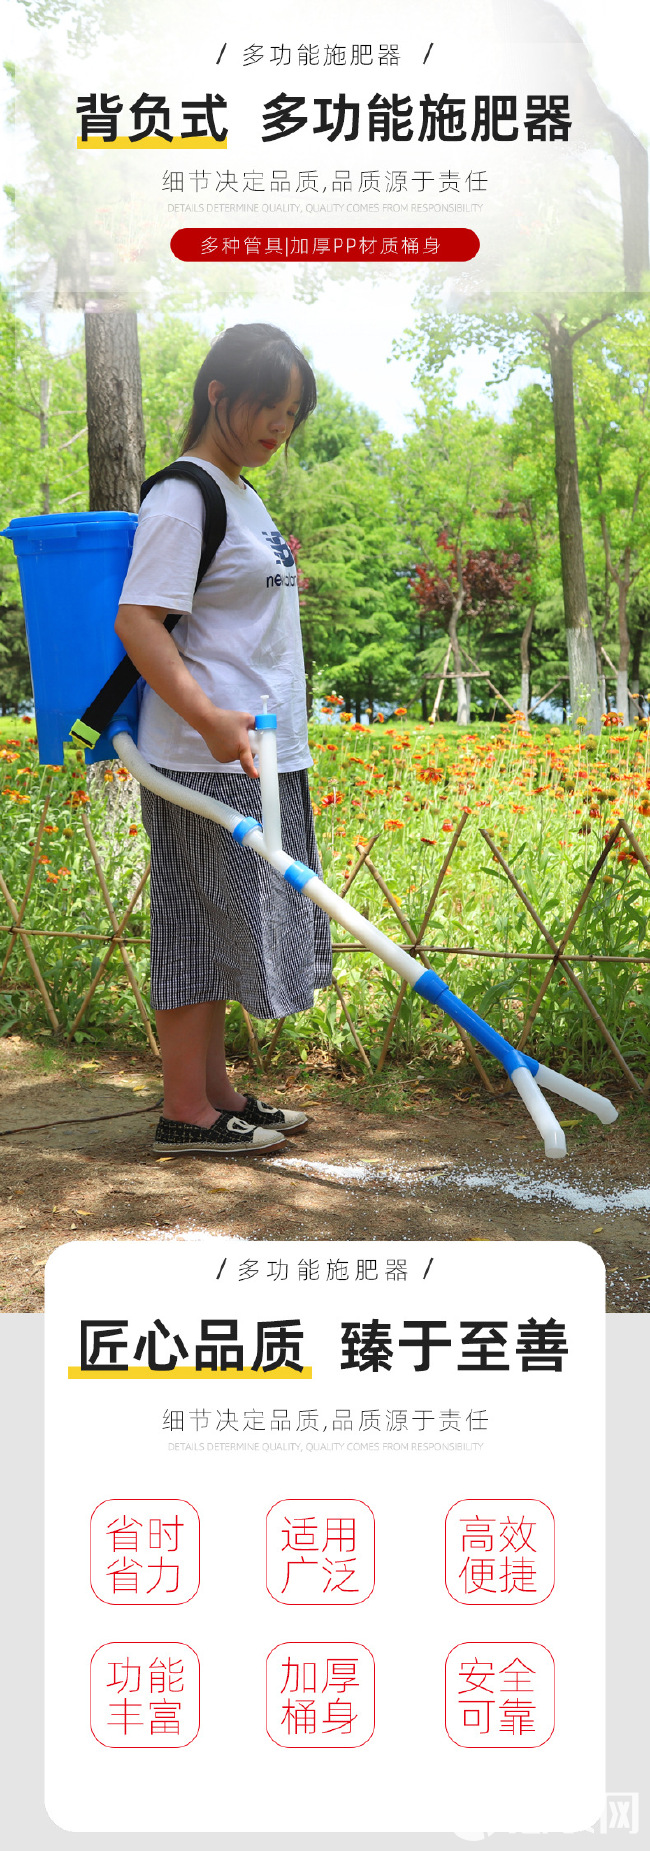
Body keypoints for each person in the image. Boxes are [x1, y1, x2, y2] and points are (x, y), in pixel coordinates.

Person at [115, 322, 332, 1155]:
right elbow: (139, 620)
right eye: (267, 407)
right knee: (192, 921)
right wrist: (207, 717)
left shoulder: (244, 491)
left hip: (260, 748)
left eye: (291, 412)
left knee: (215, 923)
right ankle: (185, 1112)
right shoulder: (185, 494)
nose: (280, 426)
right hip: (205, 754)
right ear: (218, 394)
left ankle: (215, 1095)